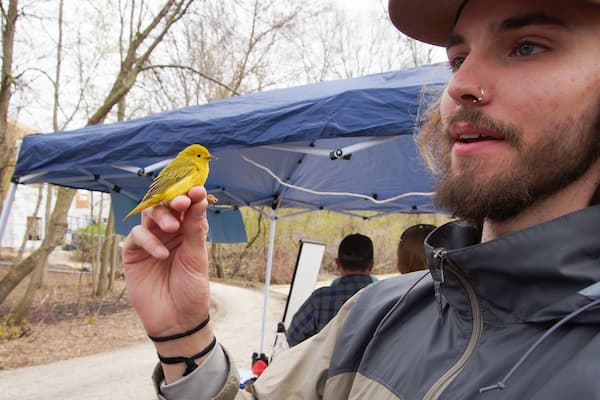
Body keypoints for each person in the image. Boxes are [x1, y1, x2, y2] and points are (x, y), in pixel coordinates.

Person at [122, 0, 600, 398]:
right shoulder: (373, 317)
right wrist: (185, 335)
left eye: (526, 47)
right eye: (457, 59)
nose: (458, 87)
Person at [286, 233, 376, 347]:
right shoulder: (385, 299)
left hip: (325, 364)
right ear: (371, 265)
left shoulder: (320, 299)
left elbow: (293, 338)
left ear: (338, 263)